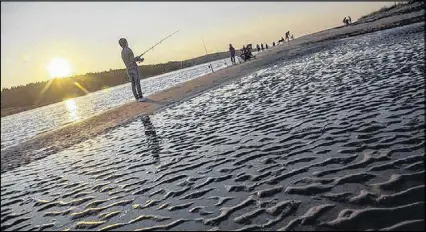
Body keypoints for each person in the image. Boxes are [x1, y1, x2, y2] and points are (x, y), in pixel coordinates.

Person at [119, 38, 145, 102]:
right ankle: (141, 97)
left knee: (133, 84)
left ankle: (137, 98)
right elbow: (132, 60)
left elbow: (128, 60)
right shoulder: (128, 49)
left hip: (128, 70)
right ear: (126, 42)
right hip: (133, 68)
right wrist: (139, 59)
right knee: (137, 83)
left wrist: (137, 59)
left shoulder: (122, 52)